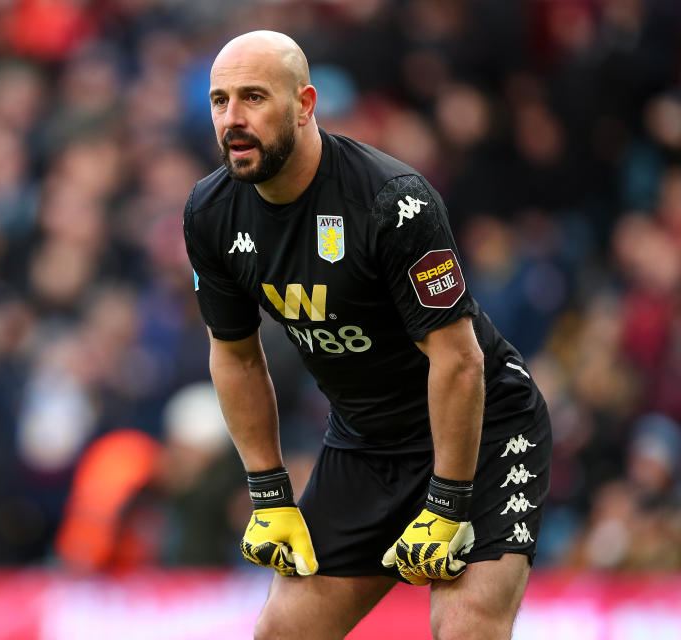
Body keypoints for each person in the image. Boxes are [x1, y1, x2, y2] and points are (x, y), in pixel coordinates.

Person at [182, 31, 552, 640]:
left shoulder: (393, 201)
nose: (233, 119)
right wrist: (270, 493)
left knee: (464, 630)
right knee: (280, 634)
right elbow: (236, 355)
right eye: (220, 101)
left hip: (482, 429)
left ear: (304, 105)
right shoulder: (209, 212)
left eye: (253, 97)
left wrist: (450, 499)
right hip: (366, 444)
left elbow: (459, 361)